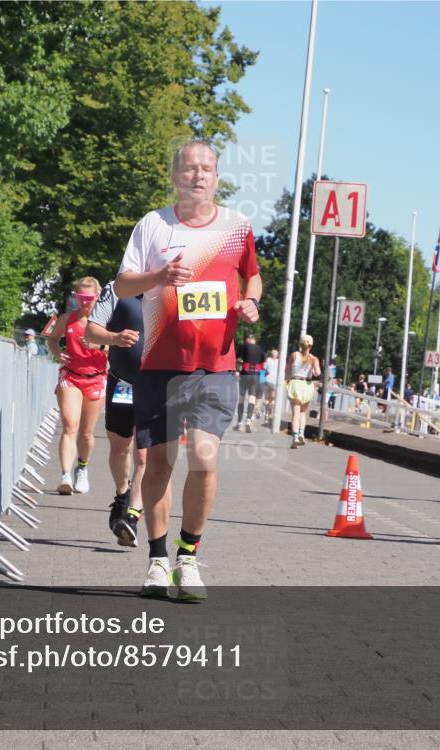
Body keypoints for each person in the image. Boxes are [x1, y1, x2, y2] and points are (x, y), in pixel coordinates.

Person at [114, 140, 262, 600]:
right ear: (175, 175)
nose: (199, 175)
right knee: (159, 463)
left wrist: (251, 301)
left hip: (215, 365)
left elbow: (253, 275)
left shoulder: (237, 226)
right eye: (190, 168)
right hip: (160, 363)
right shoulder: (153, 225)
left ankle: (188, 557)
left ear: (217, 176)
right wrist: (158, 278)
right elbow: (122, 285)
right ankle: (158, 561)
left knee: (204, 457)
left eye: (207, 168)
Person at [85, 281, 147, 548]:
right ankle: (123, 494)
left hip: (156, 386)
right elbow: (91, 331)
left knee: (144, 454)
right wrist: (115, 338)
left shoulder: (171, 289)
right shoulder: (117, 288)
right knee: (120, 448)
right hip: (122, 383)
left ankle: (132, 516)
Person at [45, 277, 108, 495]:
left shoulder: (105, 321)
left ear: (97, 296)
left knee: (86, 433)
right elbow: (52, 339)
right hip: (70, 376)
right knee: (70, 425)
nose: (84, 302)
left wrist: (99, 345)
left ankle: (82, 468)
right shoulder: (67, 319)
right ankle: (65, 476)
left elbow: (119, 345)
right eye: (80, 297)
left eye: (88, 298)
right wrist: (57, 353)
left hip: (95, 378)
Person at [287, 335, 321, 448]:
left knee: (295, 413)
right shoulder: (314, 359)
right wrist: (312, 370)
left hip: (295, 384)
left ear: (300, 344)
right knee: (303, 413)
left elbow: (287, 370)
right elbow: (318, 373)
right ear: (311, 345)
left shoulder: (294, 355)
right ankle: (301, 433)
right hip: (307, 385)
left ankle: (295, 437)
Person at [234, 333, 266, 432]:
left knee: (241, 398)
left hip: (245, 373)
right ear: (254, 340)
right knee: (252, 397)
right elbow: (263, 363)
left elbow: (235, 357)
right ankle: (248, 420)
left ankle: (239, 423)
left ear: (247, 339)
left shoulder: (243, 346)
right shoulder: (260, 348)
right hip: (255, 375)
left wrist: (236, 369)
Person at [261, 348, 279, 421]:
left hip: (267, 380)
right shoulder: (279, 362)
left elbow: (263, 369)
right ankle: (269, 413)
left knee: (266, 398)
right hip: (275, 381)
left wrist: (261, 380)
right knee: (272, 399)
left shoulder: (268, 360)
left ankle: (266, 413)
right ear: (277, 355)